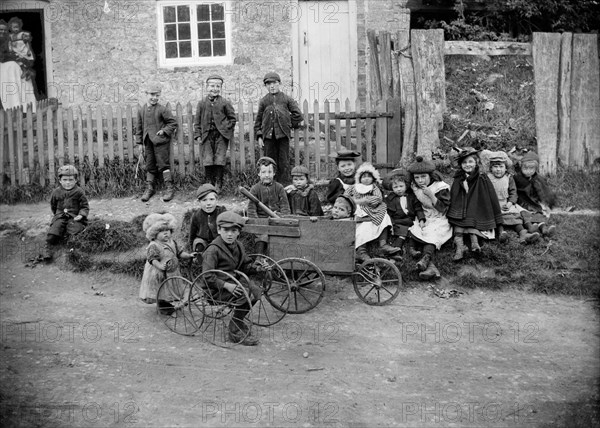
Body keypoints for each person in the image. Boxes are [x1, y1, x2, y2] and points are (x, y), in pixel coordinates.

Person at [202, 211, 262, 346]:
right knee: (245, 295)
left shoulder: (238, 246)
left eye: (233, 230)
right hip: (215, 290)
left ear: (239, 232)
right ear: (218, 230)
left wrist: (257, 268)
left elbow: (244, 266)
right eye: (226, 230)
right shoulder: (213, 250)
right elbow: (207, 276)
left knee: (256, 292)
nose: (229, 234)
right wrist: (226, 286)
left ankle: (238, 319)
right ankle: (234, 331)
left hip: (233, 283)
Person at [447, 147, 503, 261]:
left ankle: (475, 244)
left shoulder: (481, 177)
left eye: (470, 161)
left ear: (476, 162)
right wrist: (463, 188)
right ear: (461, 165)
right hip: (461, 207)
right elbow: (455, 194)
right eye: (464, 162)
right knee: (458, 225)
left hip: (476, 207)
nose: (468, 165)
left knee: (473, 221)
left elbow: (486, 195)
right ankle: (460, 247)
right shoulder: (459, 178)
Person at [406, 156, 452, 280]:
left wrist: (431, 196)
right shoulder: (414, 187)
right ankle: (423, 260)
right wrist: (421, 218)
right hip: (426, 216)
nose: (420, 180)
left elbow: (443, 208)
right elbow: (418, 206)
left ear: (430, 175)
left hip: (439, 216)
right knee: (415, 228)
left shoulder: (440, 187)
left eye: (423, 177)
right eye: (417, 177)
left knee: (433, 234)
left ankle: (426, 258)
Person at [343, 162, 401, 262]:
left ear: (373, 178)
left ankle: (383, 244)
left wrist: (369, 201)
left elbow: (378, 198)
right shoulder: (353, 187)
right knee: (363, 227)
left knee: (385, 216)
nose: (366, 178)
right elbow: (345, 197)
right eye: (363, 176)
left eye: (369, 176)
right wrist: (357, 201)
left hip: (372, 209)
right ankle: (361, 250)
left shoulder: (374, 188)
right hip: (358, 210)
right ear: (359, 178)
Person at [254, 72, 303, 185]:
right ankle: (270, 184)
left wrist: (288, 124)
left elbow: (298, 115)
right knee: (269, 160)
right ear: (266, 86)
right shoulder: (264, 101)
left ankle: (283, 184)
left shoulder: (286, 99)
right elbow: (258, 120)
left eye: (274, 83)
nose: (272, 86)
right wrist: (260, 136)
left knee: (283, 160)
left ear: (279, 83)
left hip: (282, 135)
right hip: (268, 136)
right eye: (268, 84)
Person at [139, 213, 196, 309]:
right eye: (161, 231)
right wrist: (160, 265)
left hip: (172, 271)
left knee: (171, 289)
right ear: (154, 234)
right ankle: (164, 308)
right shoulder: (154, 245)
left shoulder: (172, 242)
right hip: (158, 273)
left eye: (167, 230)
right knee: (161, 291)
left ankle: (170, 303)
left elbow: (179, 253)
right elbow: (152, 259)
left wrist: (189, 255)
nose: (166, 233)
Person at [483, 150, 540, 244]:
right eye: (495, 167)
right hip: (493, 204)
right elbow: (484, 192)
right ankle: (502, 233)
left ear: (506, 168)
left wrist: (510, 203)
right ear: (491, 168)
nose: (498, 169)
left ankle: (523, 234)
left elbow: (513, 192)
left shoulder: (508, 178)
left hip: (506, 202)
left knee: (515, 216)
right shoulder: (487, 178)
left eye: (501, 166)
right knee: (497, 218)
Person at [134, 83, 178, 202]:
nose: (154, 98)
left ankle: (169, 188)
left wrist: (164, 131)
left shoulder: (162, 109)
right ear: (146, 94)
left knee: (163, 164)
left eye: (157, 95)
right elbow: (139, 127)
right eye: (152, 95)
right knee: (150, 165)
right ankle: (149, 188)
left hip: (160, 142)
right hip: (148, 143)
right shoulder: (141, 110)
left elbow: (173, 123)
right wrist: (139, 143)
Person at [193, 75, 236, 191]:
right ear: (207, 87)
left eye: (218, 86)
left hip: (221, 135)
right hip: (206, 135)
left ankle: (218, 183)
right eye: (212, 86)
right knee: (208, 158)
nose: (215, 89)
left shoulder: (225, 103)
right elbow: (197, 121)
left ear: (221, 88)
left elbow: (232, 118)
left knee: (219, 157)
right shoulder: (202, 103)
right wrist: (197, 135)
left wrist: (225, 128)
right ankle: (208, 183)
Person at [42, 165, 89, 260]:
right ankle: (48, 249)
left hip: (74, 216)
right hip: (60, 216)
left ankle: (71, 250)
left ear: (76, 180)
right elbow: (53, 205)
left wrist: (81, 215)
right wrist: (57, 216)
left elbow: (84, 206)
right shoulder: (56, 192)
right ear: (60, 180)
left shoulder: (79, 192)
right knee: (54, 231)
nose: (68, 182)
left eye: (71, 180)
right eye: (65, 180)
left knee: (75, 230)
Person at [247, 157, 291, 255]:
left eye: (270, 172)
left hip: (276, 219)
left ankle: (279, 257)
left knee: (281, 236)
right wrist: (256, 222)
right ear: (259, 173)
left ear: (274, 173)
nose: (267, 175)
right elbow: (251, 209)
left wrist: (282, 218)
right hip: (261, 221)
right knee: (262, 236)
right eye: (263, 172)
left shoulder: (279, 188)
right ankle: (259, 257)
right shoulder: (255, 189)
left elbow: (285, 207)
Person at [514, 151, 557, 237]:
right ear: (521, 167)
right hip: (522, 202)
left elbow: (542, 192)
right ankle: (530, 227)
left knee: (539, 213)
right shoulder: (517, 178)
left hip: (534, 202)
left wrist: (546, 204)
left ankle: (544, 229)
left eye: (531, 169)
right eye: (525, 168)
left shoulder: (537, 179)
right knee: (525, 214)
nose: (528, 171)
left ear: (535, 169)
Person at [384, 170, 425, 251]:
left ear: (406, 186)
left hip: (411, 220)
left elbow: (418, 208)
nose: (399, 189)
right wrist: (391, 224)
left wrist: (421, 219)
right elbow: (388, 213)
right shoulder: (390, 199)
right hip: (398, 221)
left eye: (401, 186)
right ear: (392, 188)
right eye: (395, 187)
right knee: (403, 233)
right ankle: (397, 249)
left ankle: (412, 249)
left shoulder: (411, 196)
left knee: (414, 231)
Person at [0, 19, 36, 111]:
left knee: (23, 82)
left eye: (4, 30)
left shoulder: (9, 40)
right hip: (4, 65)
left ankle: (24, 106)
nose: (3, 31)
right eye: (0, 29)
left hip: (12, 65)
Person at [188, 183, 227, 263]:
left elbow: (231, 223)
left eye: (211, 199)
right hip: (204, 241)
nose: (208, 203)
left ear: (217, 200)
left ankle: (219, 259)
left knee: (221, 246)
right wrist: (191, 248)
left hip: (218, 241)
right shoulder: (196, 215)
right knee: (198, 243)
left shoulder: (222, 212)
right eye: (204, 200)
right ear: (199, 202)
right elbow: (192, 234)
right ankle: (201, 259)